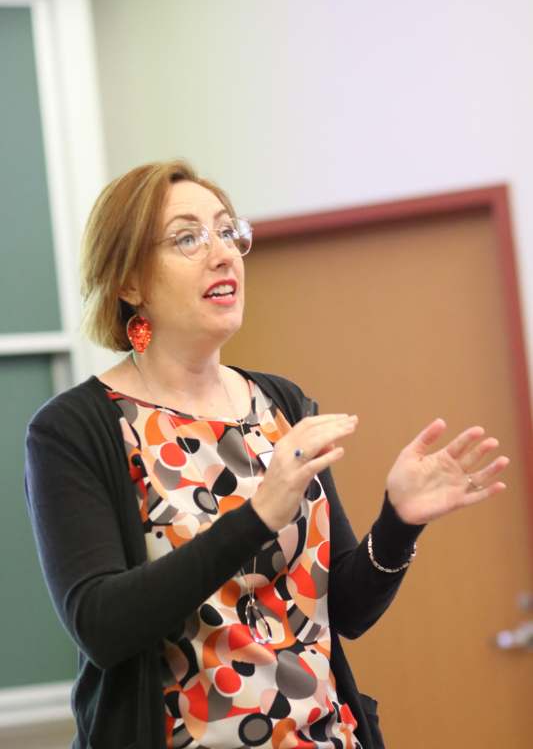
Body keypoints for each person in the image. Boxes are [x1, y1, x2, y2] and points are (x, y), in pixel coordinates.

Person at [25, 160, 509, 749]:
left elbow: (343, 613)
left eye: (228, 232)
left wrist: (399, 521)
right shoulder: (76, 429)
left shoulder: (280, 402)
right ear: (129, 283)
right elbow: (99, 626)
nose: (224, 254)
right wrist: (257, 517)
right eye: (187, 238)